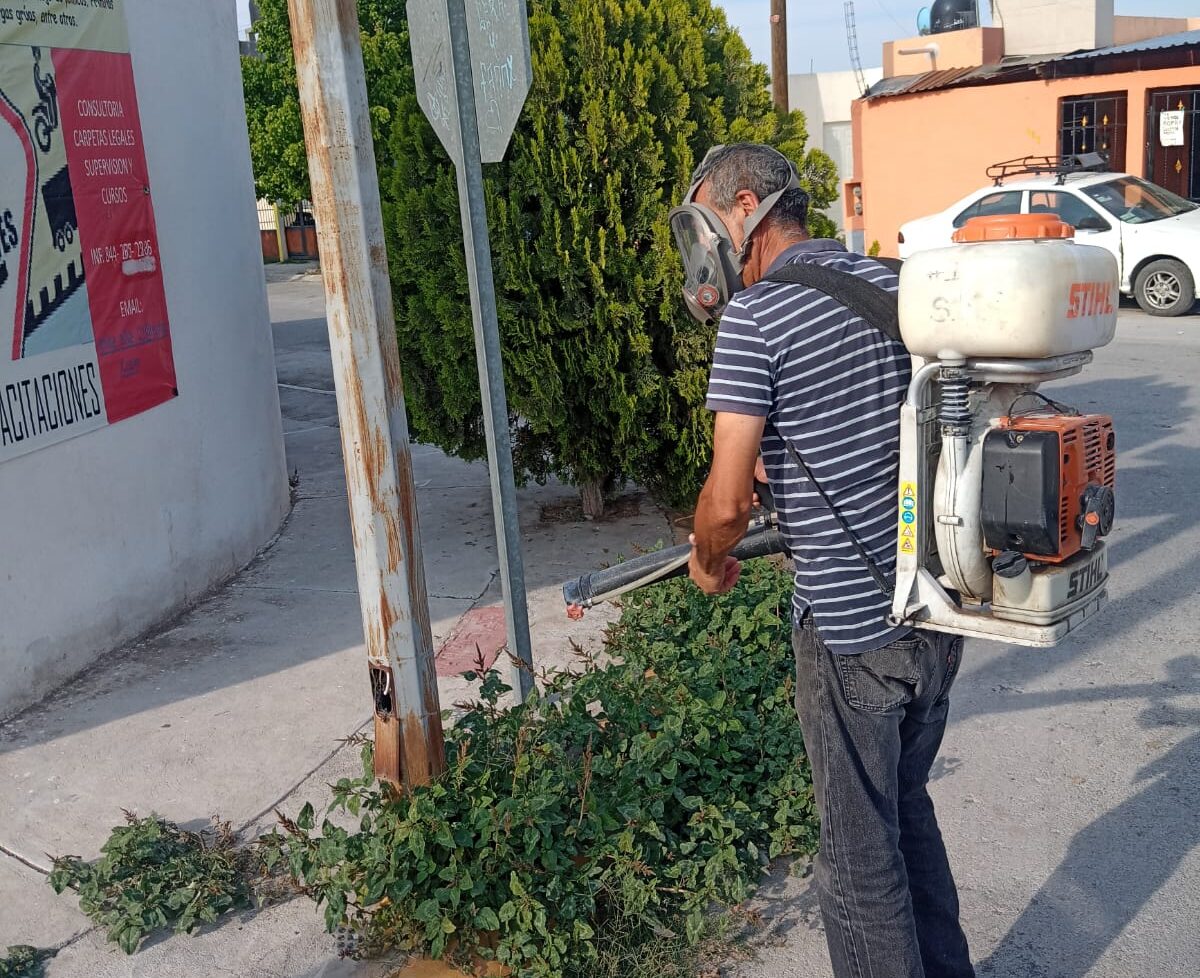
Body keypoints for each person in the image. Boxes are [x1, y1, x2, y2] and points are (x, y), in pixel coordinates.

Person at [671, 142, 974, 978]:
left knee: (856, 861)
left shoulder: (757, 318)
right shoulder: (894, 285)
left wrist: (709, 559)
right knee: (907, 813)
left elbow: (725, 503)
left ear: (744, 209)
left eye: (702, 218)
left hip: (850, 632)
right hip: (939, 615)